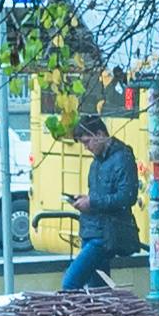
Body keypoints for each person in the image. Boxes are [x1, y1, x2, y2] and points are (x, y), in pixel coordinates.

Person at [60, 116, 144, 293]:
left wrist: (92, 201)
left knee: (71, 283)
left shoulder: (123, 157)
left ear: (99, 134)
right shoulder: (96, 163)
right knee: (98, 291)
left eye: (87, 142)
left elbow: (127, 197)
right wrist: (86, 200)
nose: (87, 148)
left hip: (106, 234)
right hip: (93, 231)